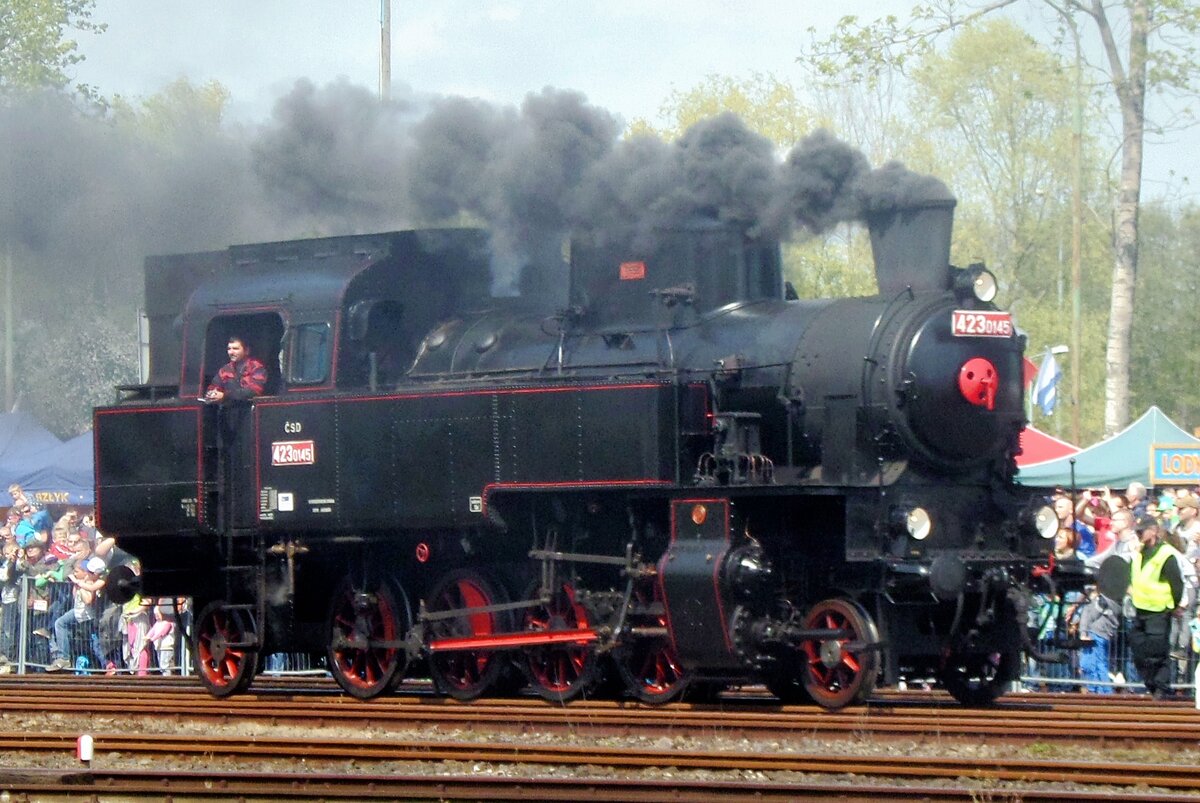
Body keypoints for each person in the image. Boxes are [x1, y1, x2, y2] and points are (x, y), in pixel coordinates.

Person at [1127, 517, 1187, 699]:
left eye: (1141, 531)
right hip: (1140, 610)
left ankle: (1161, 689)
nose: (1138, 534)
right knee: (1138, 651)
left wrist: (1175, 606)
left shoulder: (1166, 555)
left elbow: (1177, 584)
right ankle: (1152, 686)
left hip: (1159, 611)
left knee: (1157, 653)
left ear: (1153, 531)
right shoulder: (1138, 554)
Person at [204, 336, 267, 403]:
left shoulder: (256, 367)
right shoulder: (224, 370)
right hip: (228, 408)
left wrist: (225, 396)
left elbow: (254, 391)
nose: (231, 352)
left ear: (246, 351)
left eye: (235, 349)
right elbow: (213, 387)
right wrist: (211, 394)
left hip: (249, 407)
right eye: (229, 349)